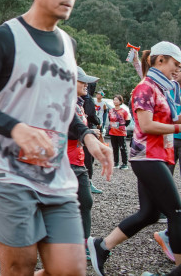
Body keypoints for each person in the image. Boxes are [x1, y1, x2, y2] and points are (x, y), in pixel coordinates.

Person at [0, 0, 113, 276]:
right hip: (7, 171)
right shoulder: (6, 37)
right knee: (20, 267)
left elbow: (61, 108)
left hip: (55, 173)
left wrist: (88, 136)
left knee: (71, 269)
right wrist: (16, 128)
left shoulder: (69, 45)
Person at [88, 41, 181, 276]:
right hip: (148, 157)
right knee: (177, 213)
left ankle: (101, 246)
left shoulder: (163, 89)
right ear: (161, 60)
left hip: (159, 156)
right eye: (176, 64)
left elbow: (169, 119)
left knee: (149, 214)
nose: (177, 69)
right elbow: (147, 125)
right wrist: (178, 127)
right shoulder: (145, 87)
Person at [69, 67, 102, 259]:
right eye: (82, 81)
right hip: (63, 163)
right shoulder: (63, 104)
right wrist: (85, 133)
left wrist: (88, 134)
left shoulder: (79, 104)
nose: (87, 85)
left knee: (86, 201)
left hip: (78, 161)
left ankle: (83, 244)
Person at [107, 95, 130, 169]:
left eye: (117, 100)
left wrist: (121, 126)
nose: (115, 101)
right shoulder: (111, 110)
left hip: (121, 132)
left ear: (120, 101)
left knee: (123, 148)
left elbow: (127, 121)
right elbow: (109, 119)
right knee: (114, 148)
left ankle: (124, 163)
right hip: (112, 131)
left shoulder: (124, 111)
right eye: (114, 100)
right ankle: (116, 162)